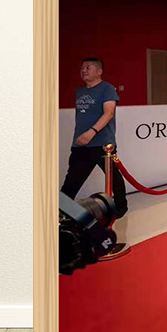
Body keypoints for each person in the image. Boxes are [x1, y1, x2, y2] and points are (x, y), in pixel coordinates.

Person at [61, 57, 128, 219]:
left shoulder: (107, 89)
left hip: (102, 143)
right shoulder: (80, 91)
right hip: (81, 144)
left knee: (113, 177)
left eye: (88, 67)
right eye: (82, 68)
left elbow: (108, 113)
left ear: (99, 71)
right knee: (72, 180)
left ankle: (120, 207)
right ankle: (62, 211)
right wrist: (82, 136)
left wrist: (91, 132)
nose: (83, 71)